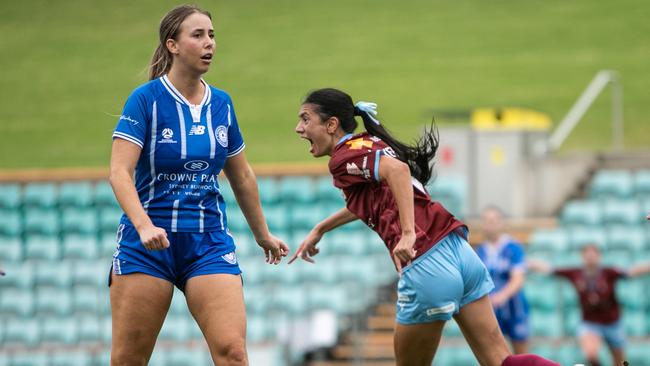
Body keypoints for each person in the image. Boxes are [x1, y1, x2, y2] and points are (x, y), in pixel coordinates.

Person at [288, 88, 559, 366]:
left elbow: (398, 172)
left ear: (331, 125)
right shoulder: (368, 142)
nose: (299, 128)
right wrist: (321, 228)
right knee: (501, 361)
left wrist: (408, 234)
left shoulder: (342, 158)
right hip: (460, 254)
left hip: (427, 264)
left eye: (306, 119)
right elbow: (376, 200)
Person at [109, 5, 288, 365]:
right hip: (147, 246)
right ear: (172, 45)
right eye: (198, 35)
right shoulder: (144, 100)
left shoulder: (221, 103)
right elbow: (119, 173)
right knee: (129, 359)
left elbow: (242, 175)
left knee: (234, 352)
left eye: (212, 35)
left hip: (207, 241)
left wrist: (262, 234)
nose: (209, 43)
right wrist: (143, 226)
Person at [528, 244, 650, 366]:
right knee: (590, 354)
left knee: (621, 360)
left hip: (612, 322)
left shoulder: (609, 272)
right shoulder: (575, 273)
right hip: (590, 322)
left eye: (593, 254)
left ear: (599, 256)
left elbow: (631, 272)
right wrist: (529, 262)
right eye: (587, 254)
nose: (590, 257)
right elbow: (551, 270)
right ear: (583, 256)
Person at [476, 206, 530, 354]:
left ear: (502, 223)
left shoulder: (513, 248)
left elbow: (518, 279)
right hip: (491, 309)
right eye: (486, 221)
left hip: (514, 307)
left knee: (521, 354)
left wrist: (502, 296)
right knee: (495, 354)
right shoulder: (480, 251)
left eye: (493, 220)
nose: (490, 224)